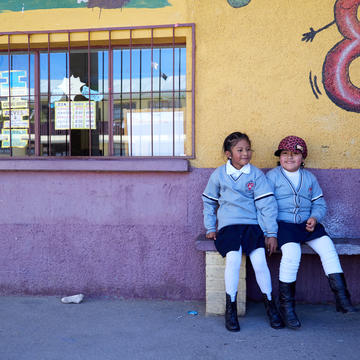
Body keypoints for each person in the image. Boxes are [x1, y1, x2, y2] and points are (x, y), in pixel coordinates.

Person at [266, 135, 357, 330]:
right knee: (292, 253)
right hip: (284, 225)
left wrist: (315, 217)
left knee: (327, 247)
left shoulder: (309, 178)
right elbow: (266, 206)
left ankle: (342, 298)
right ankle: (286, 307)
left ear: (303, 158)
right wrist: (270, 231)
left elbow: (319, 203)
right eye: (285, 154)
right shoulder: (272, 177)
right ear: (279, 157)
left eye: (295, 154)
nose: (289, 158)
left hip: (307, 224)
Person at [202, 131, 283, 332]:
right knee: (233, 259)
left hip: (251, 226)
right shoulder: (219, 174)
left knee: (260, 262)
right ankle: (231, 309)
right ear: (228, 154)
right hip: (229, 227)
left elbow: (267, 205)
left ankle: (271, 307)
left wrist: (271, 233)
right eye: (240, 150)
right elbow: (209, 201)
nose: (245, 153)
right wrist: (211, 227)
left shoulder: (255, 175)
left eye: (248, 149)